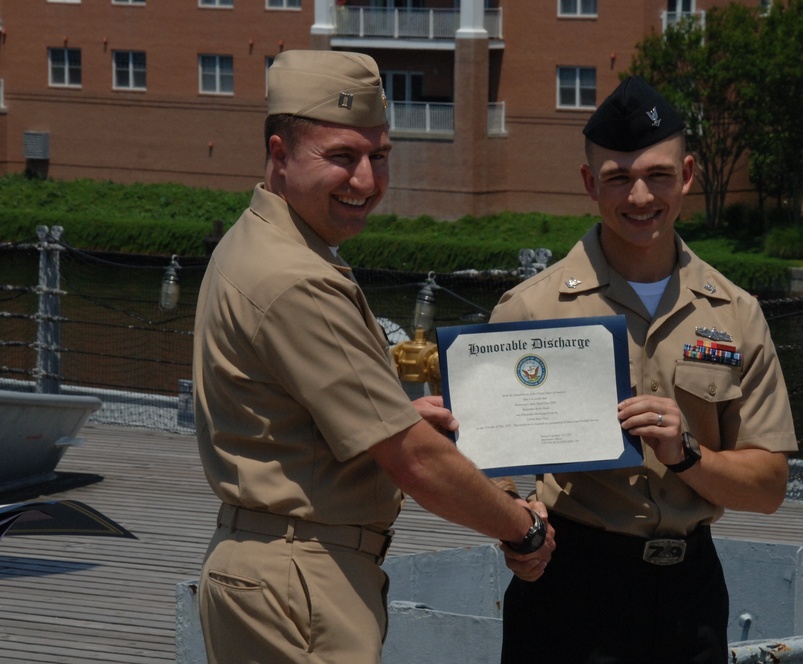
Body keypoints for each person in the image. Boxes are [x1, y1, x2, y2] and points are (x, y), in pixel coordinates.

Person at [192, 50, 554, 664]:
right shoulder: (296, 278)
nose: (366, 180)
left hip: (275, 567)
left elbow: (339, 429)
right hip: (301, 579)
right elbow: (413, 461)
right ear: (280, 155)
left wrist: (406, 422)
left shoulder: (260, 243)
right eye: (342, 157)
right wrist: (524, 530)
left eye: (378, 156)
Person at [490, 76, 798, 663]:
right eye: (618, 178)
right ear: (589, 183)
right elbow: (483, 455)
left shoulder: (735, 313)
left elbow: (769, 487)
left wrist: (687, 454)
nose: (639, 198)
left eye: (658, 176)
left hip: (691, 597)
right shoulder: (531, 309)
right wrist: (513, 521)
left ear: (686, 176)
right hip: (570, 589)